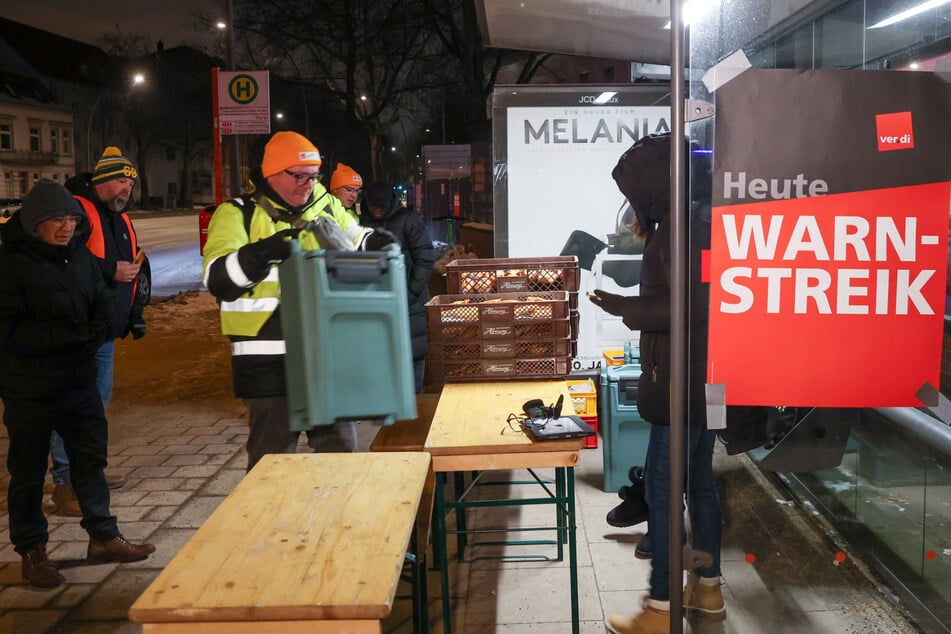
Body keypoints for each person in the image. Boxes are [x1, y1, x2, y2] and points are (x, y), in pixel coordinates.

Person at [590, 134, 723, 633]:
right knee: (701, 484)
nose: (633, 207)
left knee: (666, 491)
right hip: (712, 378)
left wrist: (627, 308)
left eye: (635, 193)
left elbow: (690, 308)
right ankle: (706, 588)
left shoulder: (678, 231)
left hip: (683, 380)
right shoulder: (700, 222)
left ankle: (662, 607)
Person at [202, 131, 395, 472]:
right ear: (272, 173)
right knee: (271, 466)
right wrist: (261, 253)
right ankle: (270, 526)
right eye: (299, 176)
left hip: (326, 355)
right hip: (266, 363)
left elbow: (355, 238)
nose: (308, 184)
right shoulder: (236, 215)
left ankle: (333, 525)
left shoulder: (324, 204)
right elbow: (217, 278)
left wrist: (378, 241)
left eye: (314, 176)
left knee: (341, 457)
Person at [0, 179, 155, 588]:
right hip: (29, 386)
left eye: (71, 219)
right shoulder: (10, 264)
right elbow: (9, 330)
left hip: (77, 381)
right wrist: (71, 336)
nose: (67, 227)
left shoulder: (78, 257)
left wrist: (103, 323)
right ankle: (32, 551)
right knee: (29, 471)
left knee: (91, 462)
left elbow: (101, 294)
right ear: (35, 222)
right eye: (57, 220)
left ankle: (103, 536)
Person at [45, 147, 146, 516]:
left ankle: (90, 471)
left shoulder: (118, 217)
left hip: (103, 329)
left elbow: (130, 268)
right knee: (75, 403)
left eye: (131, 183)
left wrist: (134, 314)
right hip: (79, 327)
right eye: (121, 180)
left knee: (95, 405)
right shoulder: (79, 211)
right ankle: (65, 480)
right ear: (101, 181)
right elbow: (68, 257)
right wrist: (110, 271)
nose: (126, 189)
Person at [359, 182, 435, 392]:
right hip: (378, 305)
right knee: (382, 357)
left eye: (380, 206)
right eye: (373, 206)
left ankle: (413, 405)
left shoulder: (408, 220)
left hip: (410, 305)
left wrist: (409, 294)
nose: (376, 210)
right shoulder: (361, 223)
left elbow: (426, 258)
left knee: (413, 353)